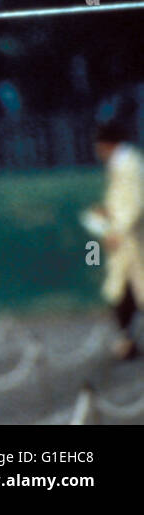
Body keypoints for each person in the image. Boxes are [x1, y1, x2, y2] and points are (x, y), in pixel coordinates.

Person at [90, 119, 144, 360]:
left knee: (132, 291)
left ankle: (127, 341)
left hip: (134, 242)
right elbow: (121, 202)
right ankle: (127, 340)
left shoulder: (130, 165)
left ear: (108, 144)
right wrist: (106, 212)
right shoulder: (120, 164)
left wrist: (117, 231)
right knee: (120, 292)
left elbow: (135, 205)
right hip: (125, 246)